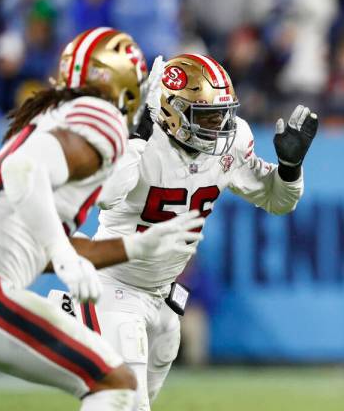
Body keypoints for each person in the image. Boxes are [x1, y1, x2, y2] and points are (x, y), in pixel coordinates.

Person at [88, 52, 318, 410]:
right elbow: (105, 196)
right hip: (114, 286)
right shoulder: (141, 137)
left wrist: (289, 168)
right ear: (170, 111)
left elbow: (277, 201)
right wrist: (134, 138)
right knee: (125, 404)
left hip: (164, 295)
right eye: (207, 116)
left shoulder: (232, 140)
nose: (220, 125)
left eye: (223, 113)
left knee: (131, 401)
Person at [0, 27, 204, 411]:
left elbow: (25, 244)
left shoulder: (59, 116)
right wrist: (63, 255)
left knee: (114, 381)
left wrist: (132, 247)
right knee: (114, 384)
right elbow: (21, 171)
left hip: (3, 281)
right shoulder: (100, 119)